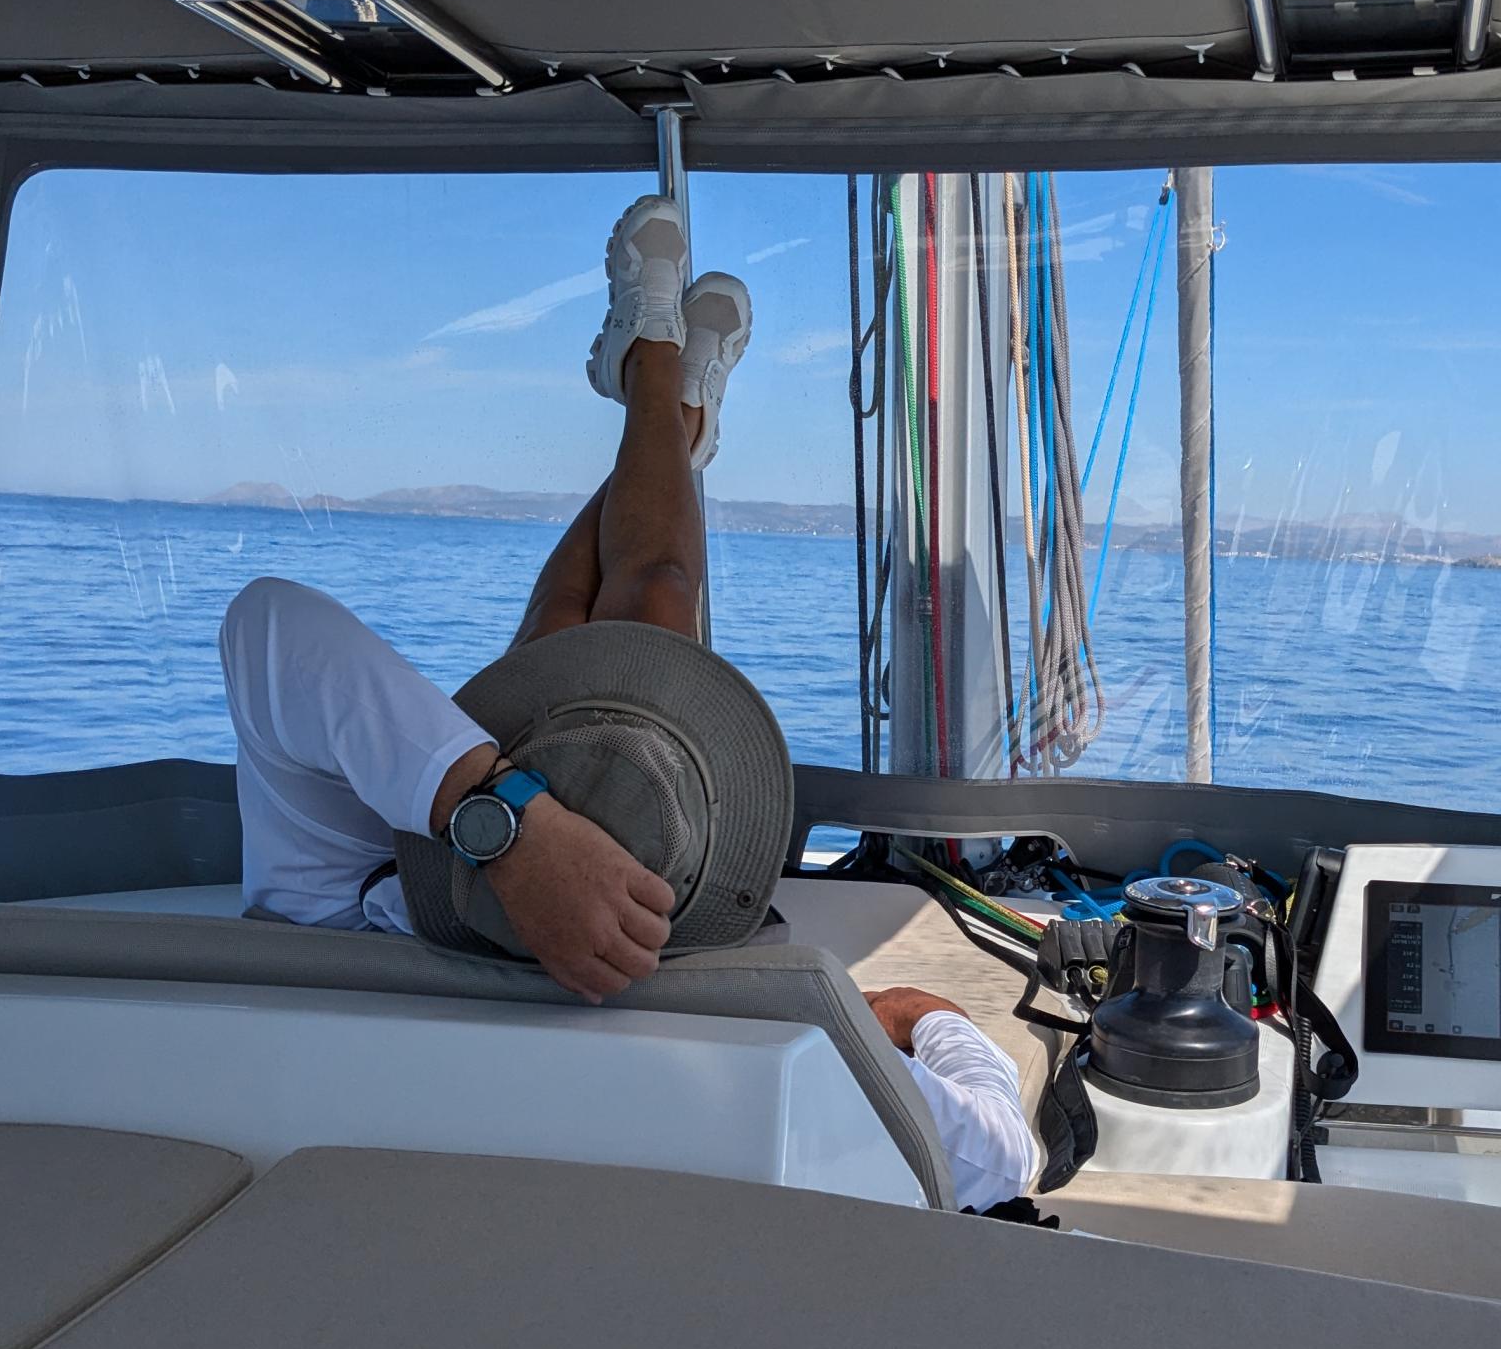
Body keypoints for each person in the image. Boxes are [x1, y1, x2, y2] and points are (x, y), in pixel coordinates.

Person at [218, 194, 1039, 1212]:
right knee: (652, 601)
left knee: (585, 638)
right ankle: (666, 407)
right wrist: (914, 1018)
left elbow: (268, 624)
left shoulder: (343, 943)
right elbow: (1002, 1158)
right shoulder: (754, 1038)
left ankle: (656, 381)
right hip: (668, 954)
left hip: (468, 882)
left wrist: (503, 824)